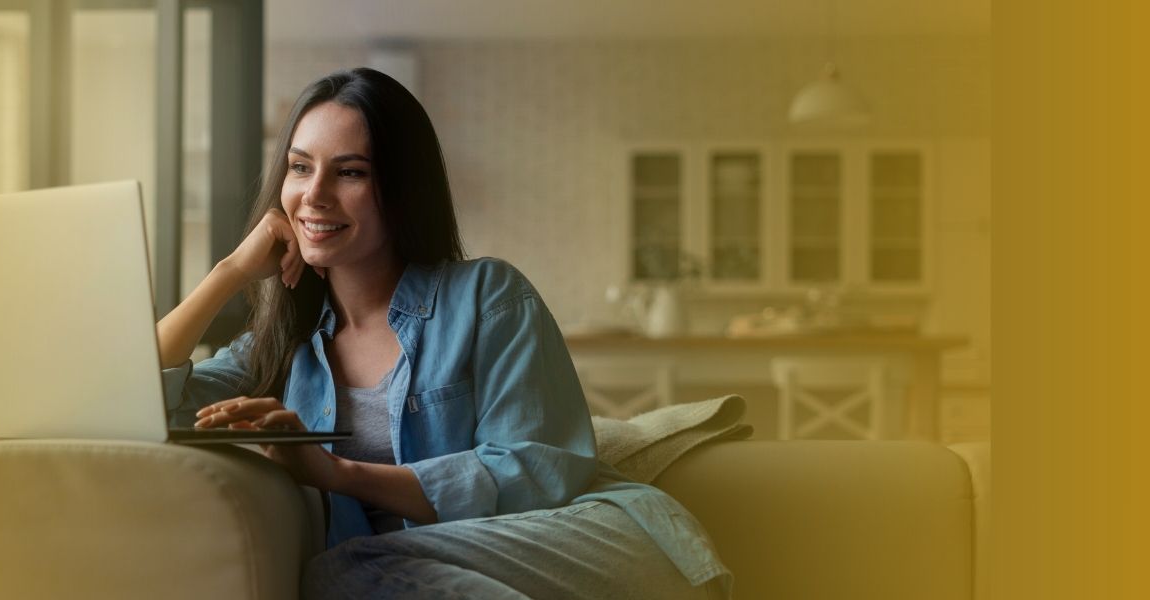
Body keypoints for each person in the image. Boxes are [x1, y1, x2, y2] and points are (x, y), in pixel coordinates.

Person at [155, 68, 730, 600]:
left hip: (579, 542)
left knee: (343, 571)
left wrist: (339, 474)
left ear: (402, 191)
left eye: (350, 171)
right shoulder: (283, 347)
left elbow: (535, 475)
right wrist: (227, 274)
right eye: (301, 167)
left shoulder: (488, 296)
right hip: (408, 576)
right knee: (350, 572)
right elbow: (143, 400)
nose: (315, 194)